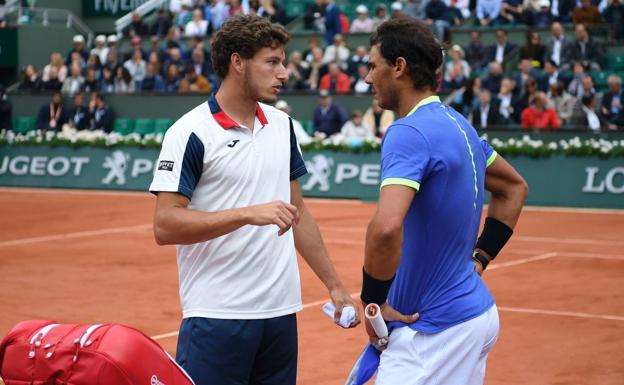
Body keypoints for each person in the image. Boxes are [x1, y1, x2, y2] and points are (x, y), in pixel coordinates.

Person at [149, 15, 358, 385]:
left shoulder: (282, 126)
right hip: (217, 316)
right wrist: (247, 214)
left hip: (280, 316)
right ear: (238, 62)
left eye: (283, 62)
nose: (284, 73)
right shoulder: (190, 132)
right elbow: (165, 225)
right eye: (272, 62)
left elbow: (299, 213)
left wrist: (335, 285)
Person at [356, 18, 527, 385]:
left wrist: (373, 306)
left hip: (433, 335)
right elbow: (514, 188)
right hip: (473, 317)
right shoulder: (460, 124)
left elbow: (385, 229)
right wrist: (480, 259)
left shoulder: (407, 131)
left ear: (398, 67)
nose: (368, 78)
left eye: (373, 65)